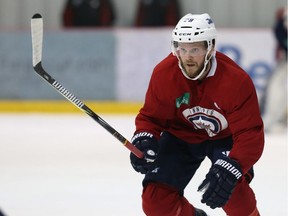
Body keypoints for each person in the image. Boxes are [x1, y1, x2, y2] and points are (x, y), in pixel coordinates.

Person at [130, 13, 264, 216]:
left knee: (230, 187)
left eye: (195, 49)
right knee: (156, 201)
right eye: (182, 49)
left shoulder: (236, 81)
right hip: (181, 137)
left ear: (210, 48)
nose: (188, 57)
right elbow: (151, 118)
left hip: (224, 139)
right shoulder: (164, 74)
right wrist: (144, 139)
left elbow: (250, 134)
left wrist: (233, 165)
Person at [262, 6, 287, 132]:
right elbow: (282, 43)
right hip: (284, 60)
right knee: (276, 88)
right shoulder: (279, 28)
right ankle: (273, 119)